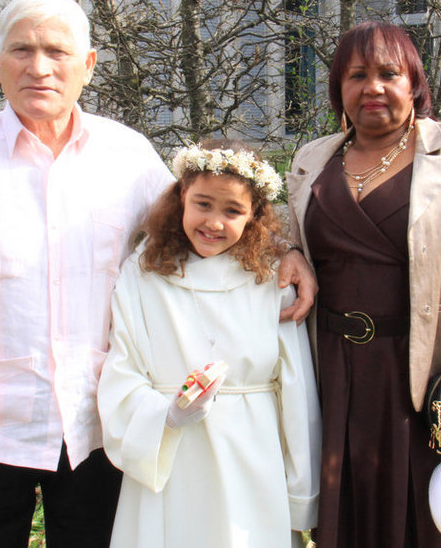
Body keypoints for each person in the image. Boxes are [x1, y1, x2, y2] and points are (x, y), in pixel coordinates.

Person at [0, 0, 316, 547]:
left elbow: (208, 222)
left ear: (87, 65)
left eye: (56, 52)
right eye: (22, 50)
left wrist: (286, 248)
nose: (39, 67)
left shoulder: (125, 155)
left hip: (98, 432)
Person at [286, 21, 441, 548]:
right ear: (338, 88)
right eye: (357, 75)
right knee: (345, 516)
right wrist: (287, 252)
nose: (372, 87)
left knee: (425, 521)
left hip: (420, 378)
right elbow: (287, 239)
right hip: (332, 373)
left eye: (388, 73)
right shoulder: (311, 159)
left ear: (414, 83)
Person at [98, 140, 322, 548]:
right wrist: (166, 415)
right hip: (170, 456)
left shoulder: (273, 278)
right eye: (203, 204)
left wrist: (300, 490)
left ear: (254, 214)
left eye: (232, 211)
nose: (214, 223)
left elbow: (296, 387)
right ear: (182, 195)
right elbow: (122, 370)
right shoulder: (142, 274)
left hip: (252, 453)